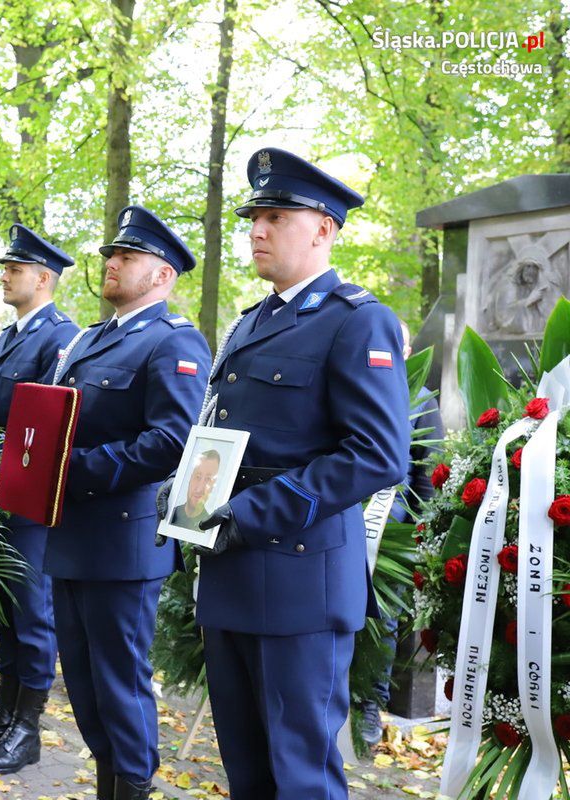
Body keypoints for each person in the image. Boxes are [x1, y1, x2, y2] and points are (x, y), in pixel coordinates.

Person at [183, 148, 410, 800]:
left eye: (276, 215)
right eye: (255, 215)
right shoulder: (253, 321)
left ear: (322, 229)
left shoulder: (355, 319)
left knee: (301, 777)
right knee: (249, 775)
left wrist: (247, 515)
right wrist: (191, 506)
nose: (257, 228)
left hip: (297, 585)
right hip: (228, 573)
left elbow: (376, 454)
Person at [46, 206, 210, 800]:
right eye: (111, 256)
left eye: (128, 257)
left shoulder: (173, 342)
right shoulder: (90, 340)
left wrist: (72, 471)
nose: (111, 264)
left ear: (162, 275)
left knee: (119, 685)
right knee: (86, 689)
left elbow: (172, 442)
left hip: (121, 541)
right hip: (69, 537)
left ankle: (134, 787)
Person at [0, 224, 79, 774]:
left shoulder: (61, 338)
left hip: (30, 497)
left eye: (15, 269)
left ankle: (28, 728)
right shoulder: (8, 336)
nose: (5, 275)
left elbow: (49, 425)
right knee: (1, 608)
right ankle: (4, 715)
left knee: (31, 612)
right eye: (6, 267)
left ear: (43, 278)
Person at [358, 320, 445, 745]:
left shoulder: (421, 399)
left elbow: (427, 469)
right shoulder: (354, 384)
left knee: (383, 618)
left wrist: (421, 528)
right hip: (340, 518)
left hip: (390, 534)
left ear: (408, 352)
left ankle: (371, 705)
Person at [169, 449, 221, 532]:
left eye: (208, 479)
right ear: (190, 478)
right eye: (198, 477)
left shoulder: (210, 530)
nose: (199, 489)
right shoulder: (168, 515)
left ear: (213, 486)